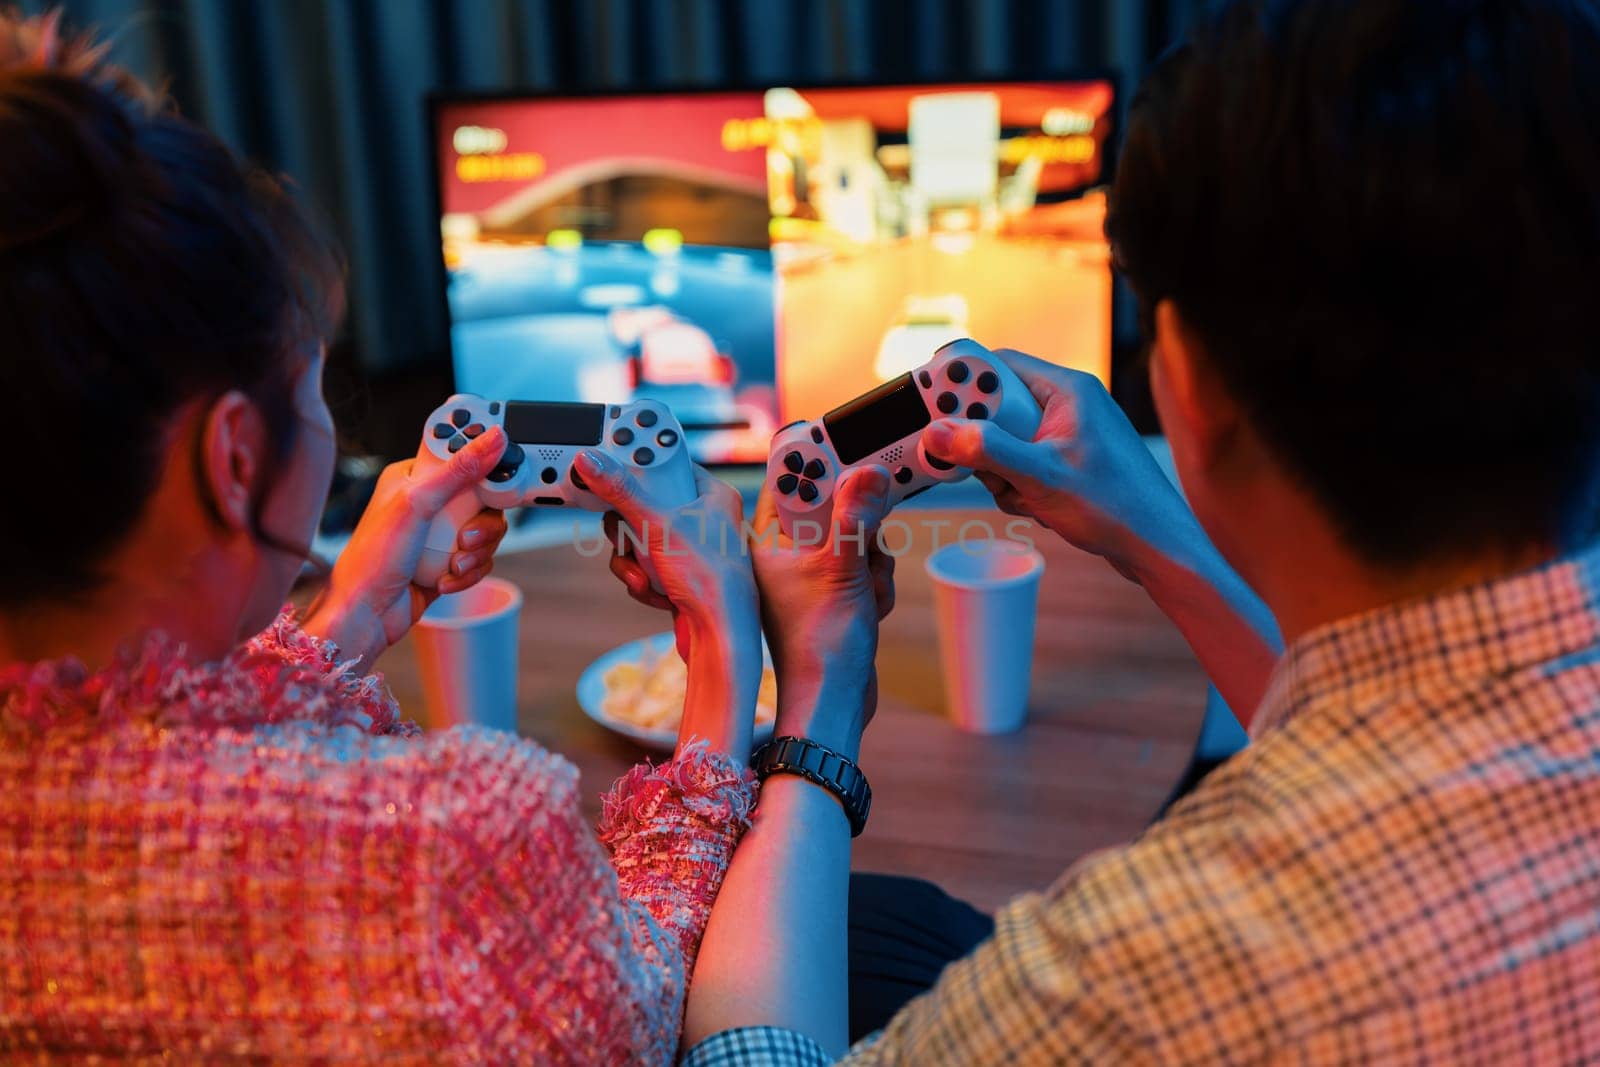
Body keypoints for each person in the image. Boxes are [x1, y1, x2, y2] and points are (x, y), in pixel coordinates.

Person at [680, 0, 1600, 1061]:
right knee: (887, 928)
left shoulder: (1140, 967)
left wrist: (817, 710)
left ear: (1191, 393)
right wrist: (1151, 530)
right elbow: (1379, 739)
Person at [0, 13, 770, 1062]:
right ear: (235, 460)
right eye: (316, 388)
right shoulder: (441, 844)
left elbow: (146, 741)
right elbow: (642, 1008)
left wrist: (345, 621)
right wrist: (724, 642)